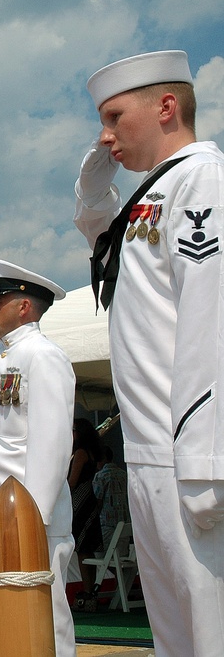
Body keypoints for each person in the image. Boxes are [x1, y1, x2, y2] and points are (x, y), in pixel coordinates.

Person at [73, 50, 224, 655]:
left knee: (209, 627)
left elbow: (210, 322)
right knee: (174, 632)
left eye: (114, 117)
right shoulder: (152, 196)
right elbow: (99, 230)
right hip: (150, 451)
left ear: (166, 108)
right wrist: (93, 179)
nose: (105, 136)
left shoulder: (202, 180)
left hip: (188, 454)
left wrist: (206, 458)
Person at [0, 259, 76, 657]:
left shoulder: (43, 356)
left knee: (46, 619)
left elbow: (52, 444)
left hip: (34, 518)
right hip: (4, 516)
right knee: (9, 616)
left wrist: (33, 518)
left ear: (24, 306)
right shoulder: (2, 359)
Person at [68, 417, 103, 610]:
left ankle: (88, 589)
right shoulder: (93, 452)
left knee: (82, 549)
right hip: (90, 499)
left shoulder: (80, 453)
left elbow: (72, 481)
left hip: (79, 502)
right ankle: (91, 590)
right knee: (89, 549)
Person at [92, 446, 130, 554]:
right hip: (125, 523)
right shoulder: (124, 474)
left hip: (107, 524)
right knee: (122, 555)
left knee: (107, 556)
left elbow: (97, 501)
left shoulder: (100, 476)